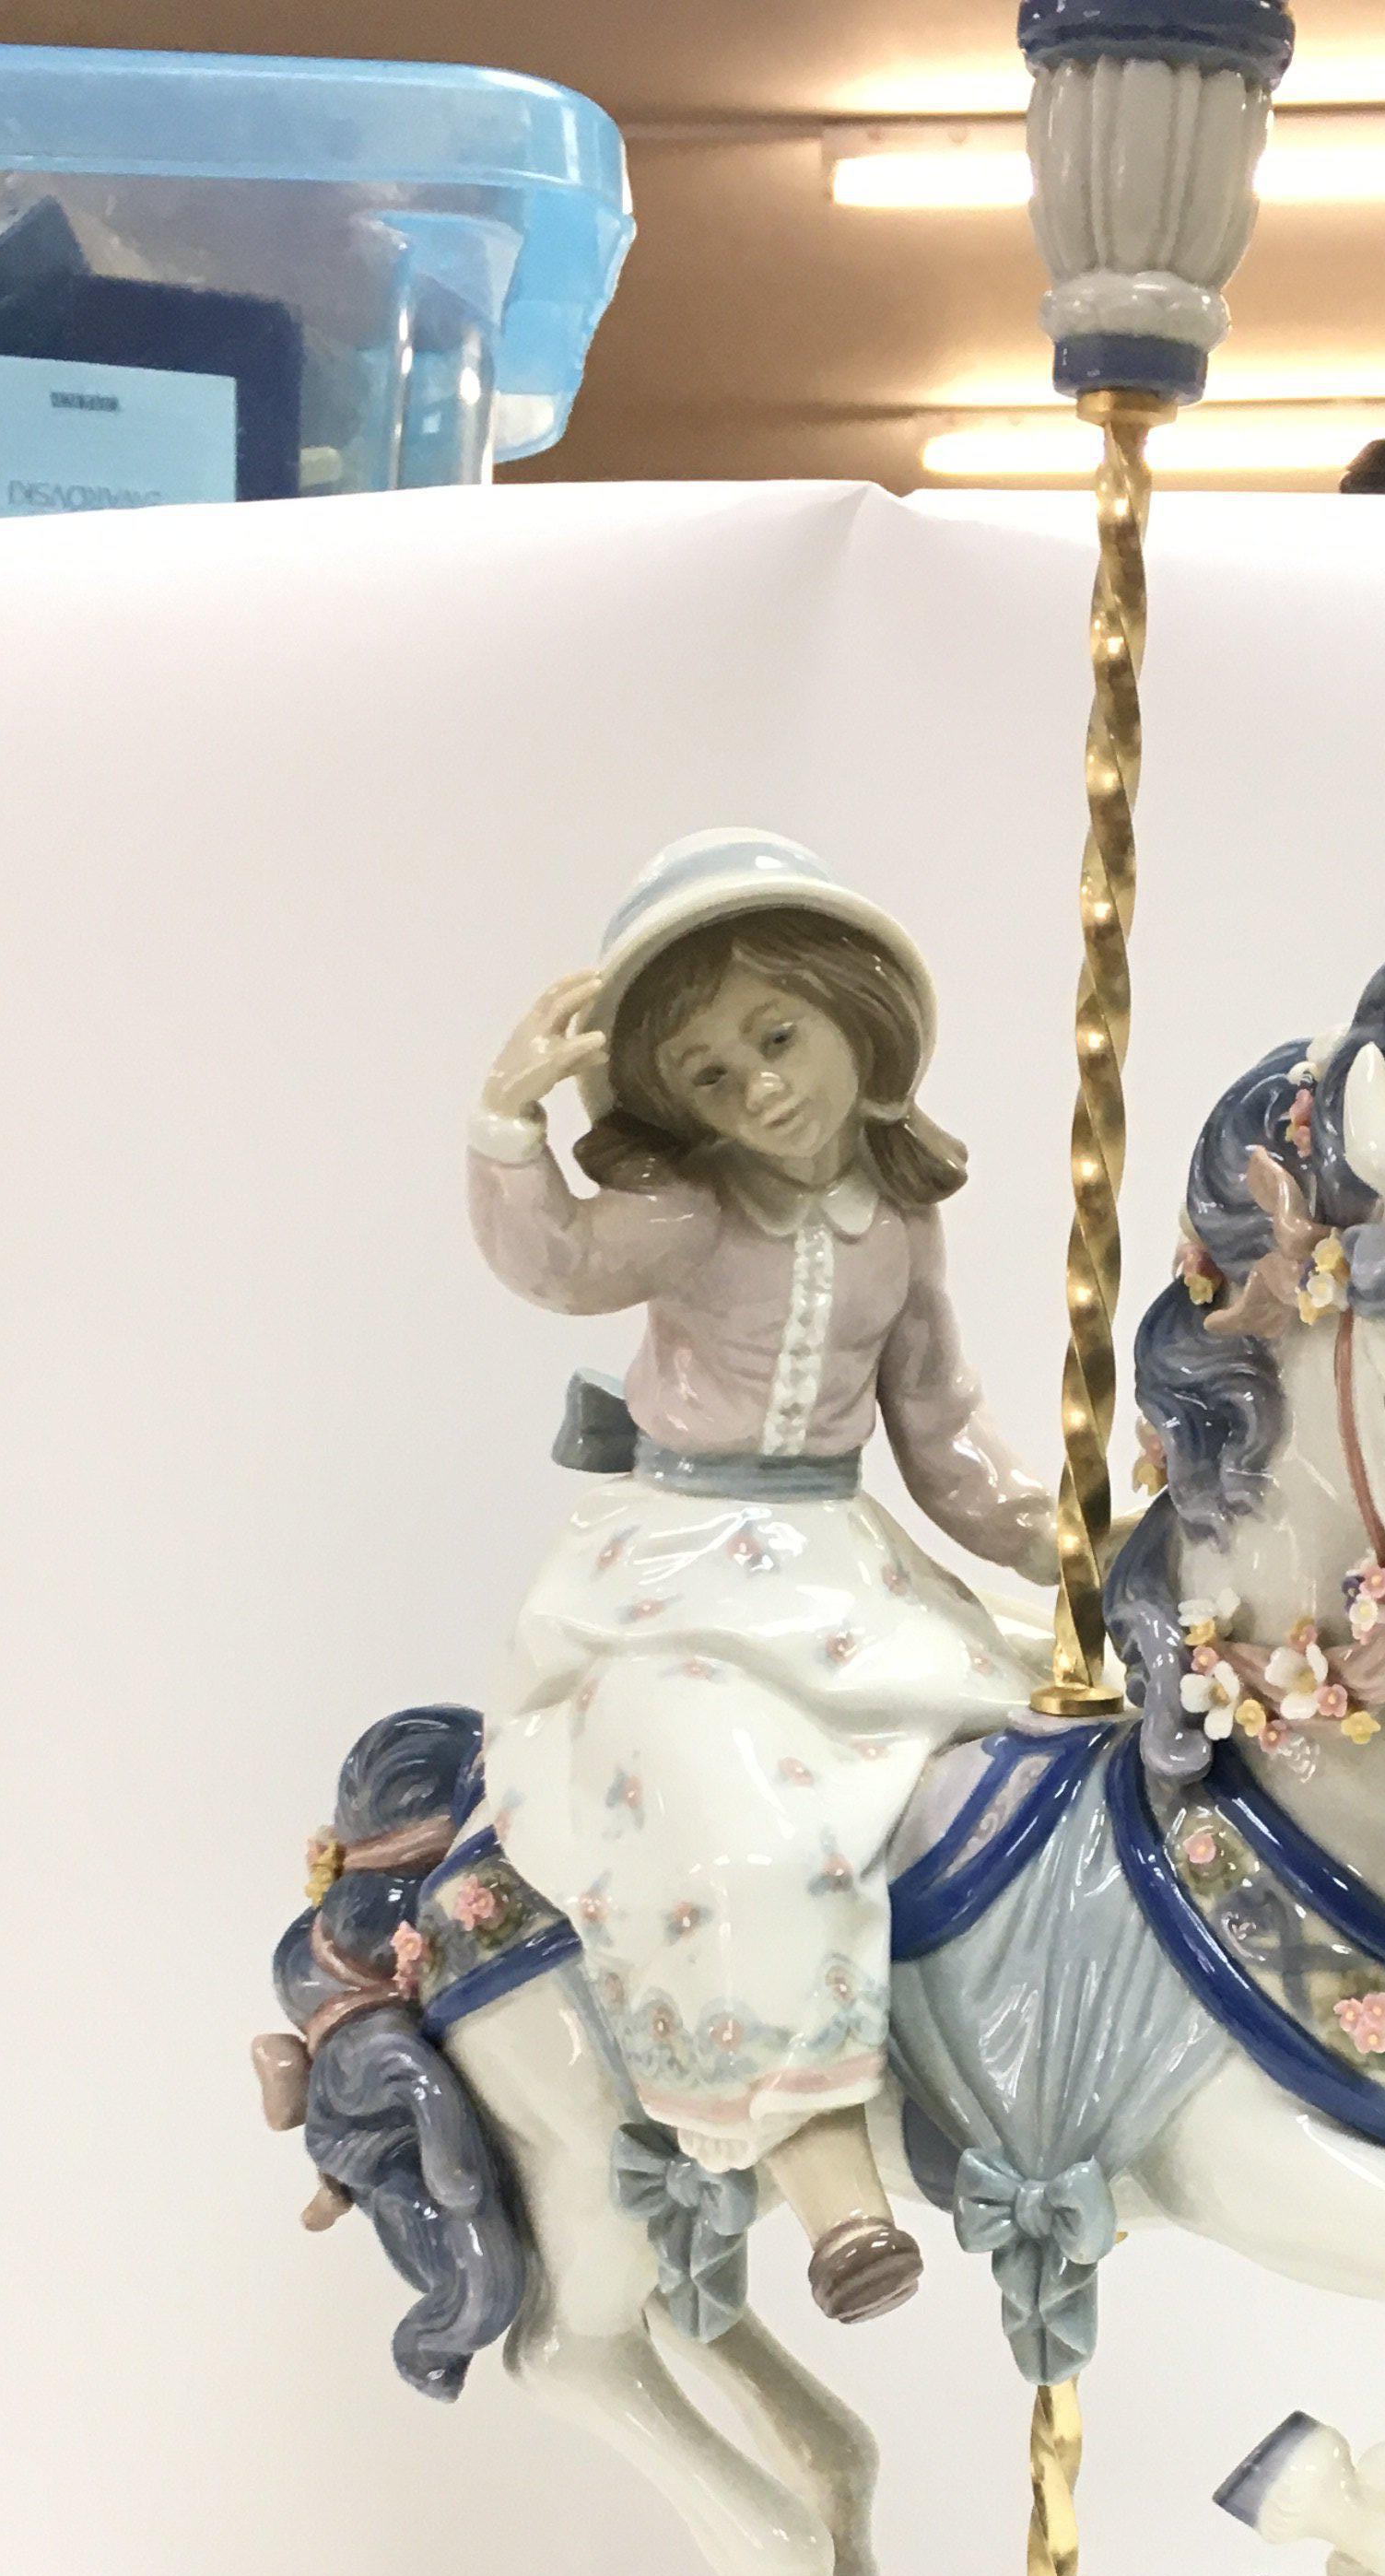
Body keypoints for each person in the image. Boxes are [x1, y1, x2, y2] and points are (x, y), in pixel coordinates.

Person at [466, 831, 1059, 2323]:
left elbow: (938, 1429)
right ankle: (822, 2170)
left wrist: (1061, 1538)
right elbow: (555, 1262)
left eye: (777, 1038)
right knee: (745, 1825)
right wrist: (506, 1127)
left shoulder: (898, 1222)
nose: (762, 1091)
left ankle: (1015, 2064)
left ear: (853, 1010)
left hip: (840, 1570)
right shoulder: (691, 1214)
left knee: (1018, 1761)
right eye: (713, 1076)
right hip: (682, 1573)